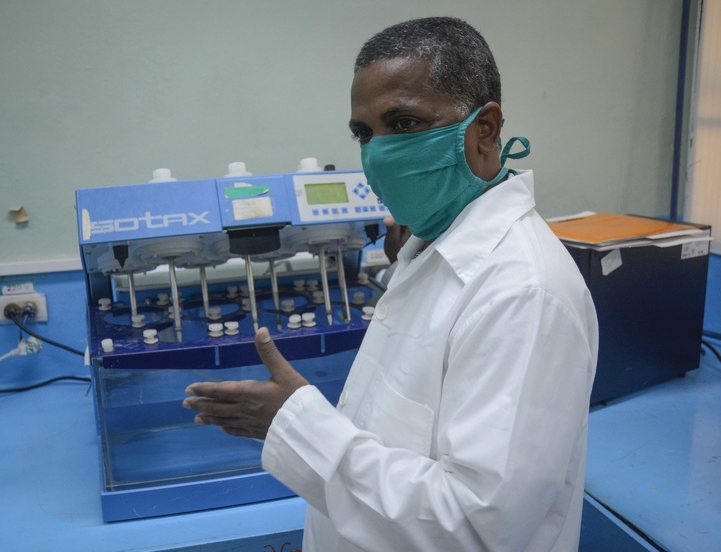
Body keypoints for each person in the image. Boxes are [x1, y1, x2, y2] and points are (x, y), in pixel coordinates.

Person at [183, 16, 598, 552]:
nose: (378, 154)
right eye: (364, 133)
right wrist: (413, 259)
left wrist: (295, 426)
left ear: (485, 129)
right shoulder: (430, 248)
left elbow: (475, 528)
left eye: (403, 123)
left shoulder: (522, 295)